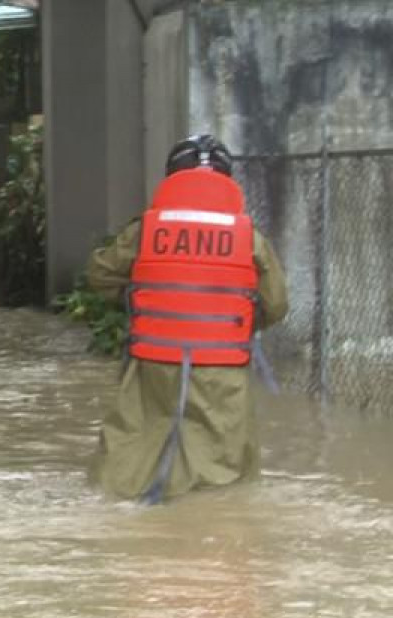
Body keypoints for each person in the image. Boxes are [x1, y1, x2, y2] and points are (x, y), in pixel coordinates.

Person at [84, 134, 289, 503]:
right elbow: (276, 304)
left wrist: (145, 303)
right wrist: (232, 321)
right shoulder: (249, 238)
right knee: (221, 467)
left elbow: (100, 275)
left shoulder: (146, 230)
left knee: (132, 450)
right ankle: (202, 534)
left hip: (152, 365)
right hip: (222, 368)